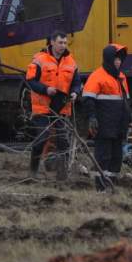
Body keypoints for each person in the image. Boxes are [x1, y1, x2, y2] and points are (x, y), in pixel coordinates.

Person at [25, 31, 80, 180]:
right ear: (52, 43)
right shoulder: (39, 59)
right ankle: (33, 171)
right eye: (60, 43)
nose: (63, 46)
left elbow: (76, 83)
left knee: (63, 141)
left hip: (62, 108)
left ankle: (62, 175)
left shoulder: (71, 62)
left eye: (65, 43)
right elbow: (30, 81)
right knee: (42, 138)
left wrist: (75, 93)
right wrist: (45, 90)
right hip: (42, 107)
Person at [81, 43, 132, 189]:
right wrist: (92, 118)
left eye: (120, 59)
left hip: (119, 126)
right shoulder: (97, 76)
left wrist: (130, 120)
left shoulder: (121, 76)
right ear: (109, 59)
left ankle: (112, 185)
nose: (118, 62)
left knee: (117, 157)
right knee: (103, 157)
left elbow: (126, 101)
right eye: (116, 59)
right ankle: (101, 187)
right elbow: (87, 99)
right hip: (103, 125)